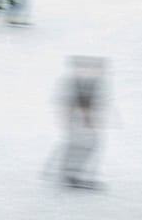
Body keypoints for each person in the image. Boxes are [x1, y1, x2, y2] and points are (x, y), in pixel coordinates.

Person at [59, 56, 107, 190]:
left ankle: (70, 173)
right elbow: (79, 101)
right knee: (84, 144)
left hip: (81, 119)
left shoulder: (90, 82)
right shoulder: (82, 82)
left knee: (84, 144)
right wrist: (87, 120)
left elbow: (84, 101)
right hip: (79, 119)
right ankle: (70, 173)